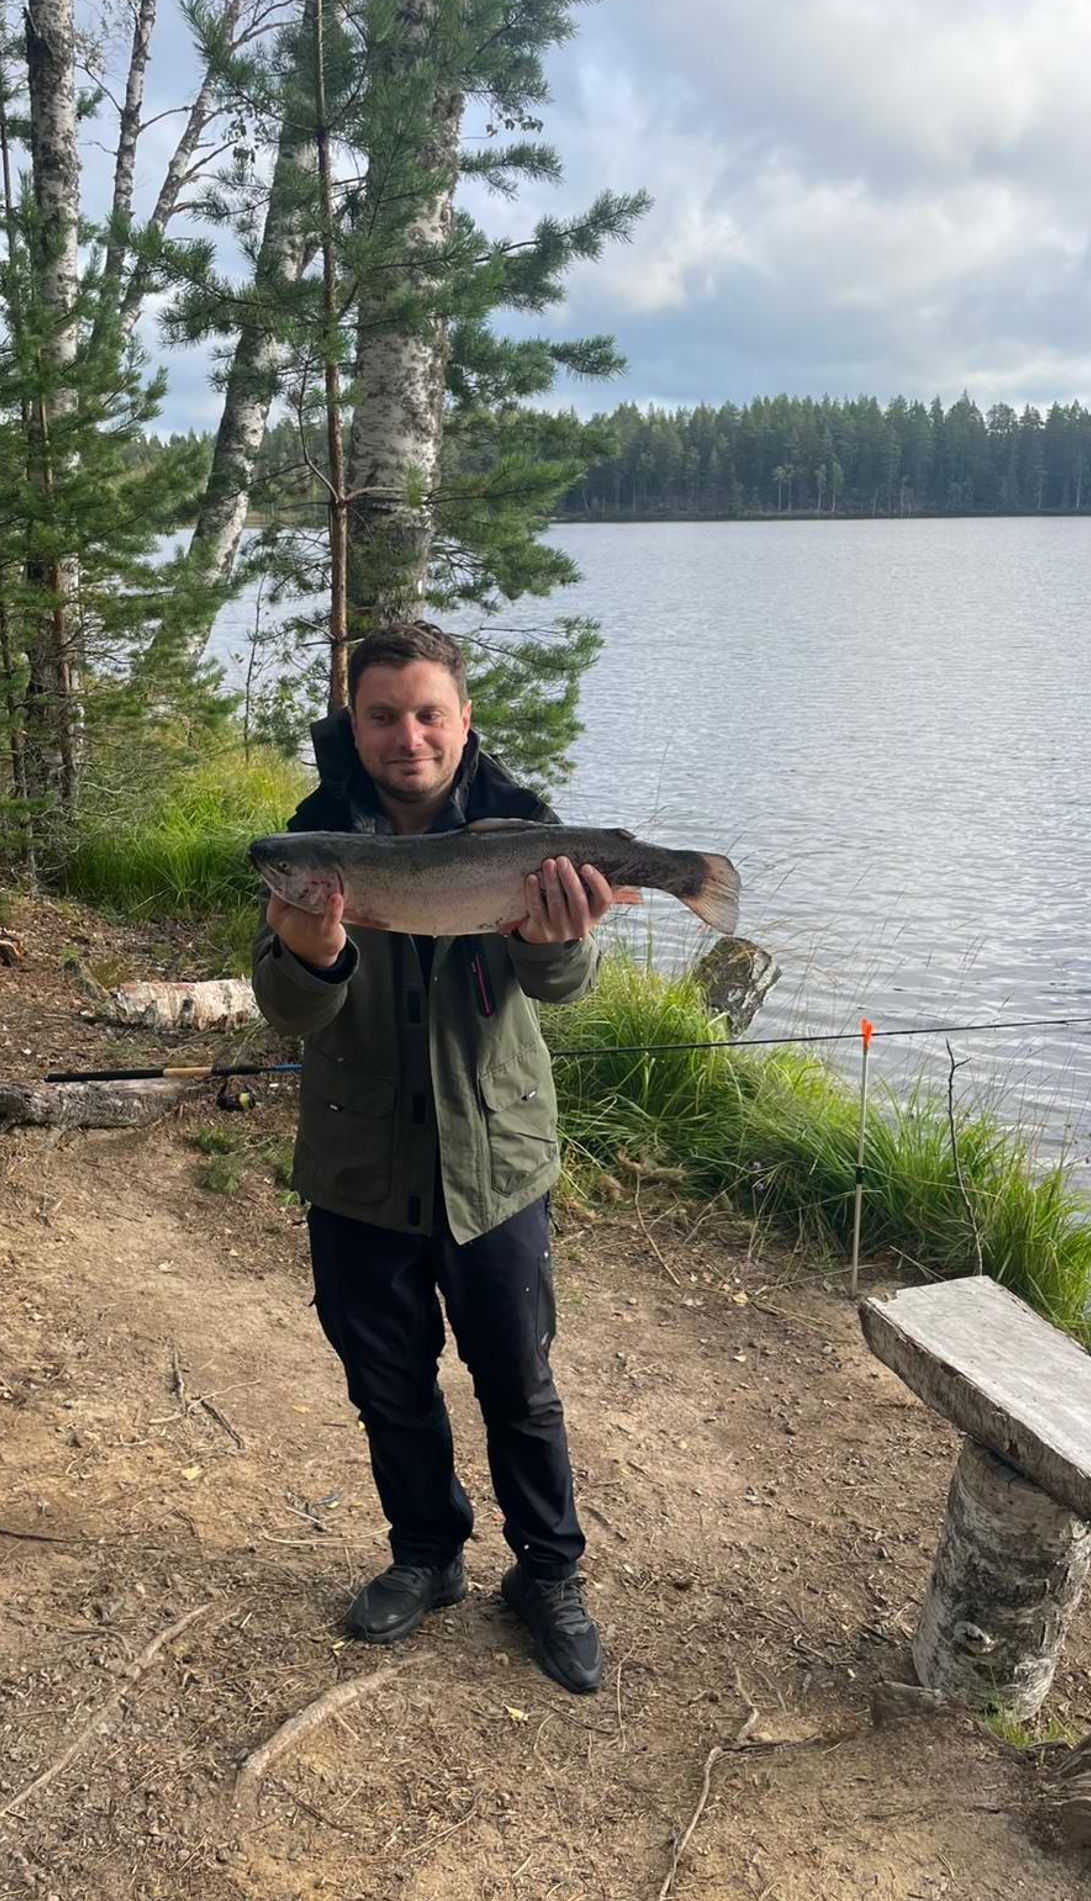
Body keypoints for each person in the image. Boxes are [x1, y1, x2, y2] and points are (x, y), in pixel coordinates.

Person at [251, 622, 618, 1694]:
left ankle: (548, 1574)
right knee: (388, 1381)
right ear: (354, 723)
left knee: (519, 1383)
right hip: (357, 1164)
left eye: (427, 713)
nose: (406, 736)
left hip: (495, 1160)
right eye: (382, 715)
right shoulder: (313, 840)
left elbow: (561, 988)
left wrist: (555, 937)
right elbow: (286, 1011)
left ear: (462, 720)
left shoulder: (527, 836)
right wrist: (311, 954)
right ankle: (426, 1552)